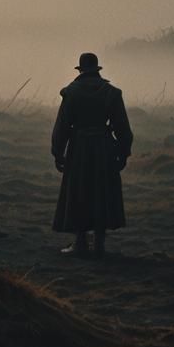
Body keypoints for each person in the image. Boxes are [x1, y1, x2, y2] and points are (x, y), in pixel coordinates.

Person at [51, 51, 133, 258]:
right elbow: (123, 128)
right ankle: (99, 243)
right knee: (102, 192)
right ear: (97, 69)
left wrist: (58, 152)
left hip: (79, 147)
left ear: (80, 70)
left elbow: (62, 126)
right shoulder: (111, 93)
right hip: (104, 147)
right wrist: (123, 152)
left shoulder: (71, 93)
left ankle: (80, 242)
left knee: (79, 191)